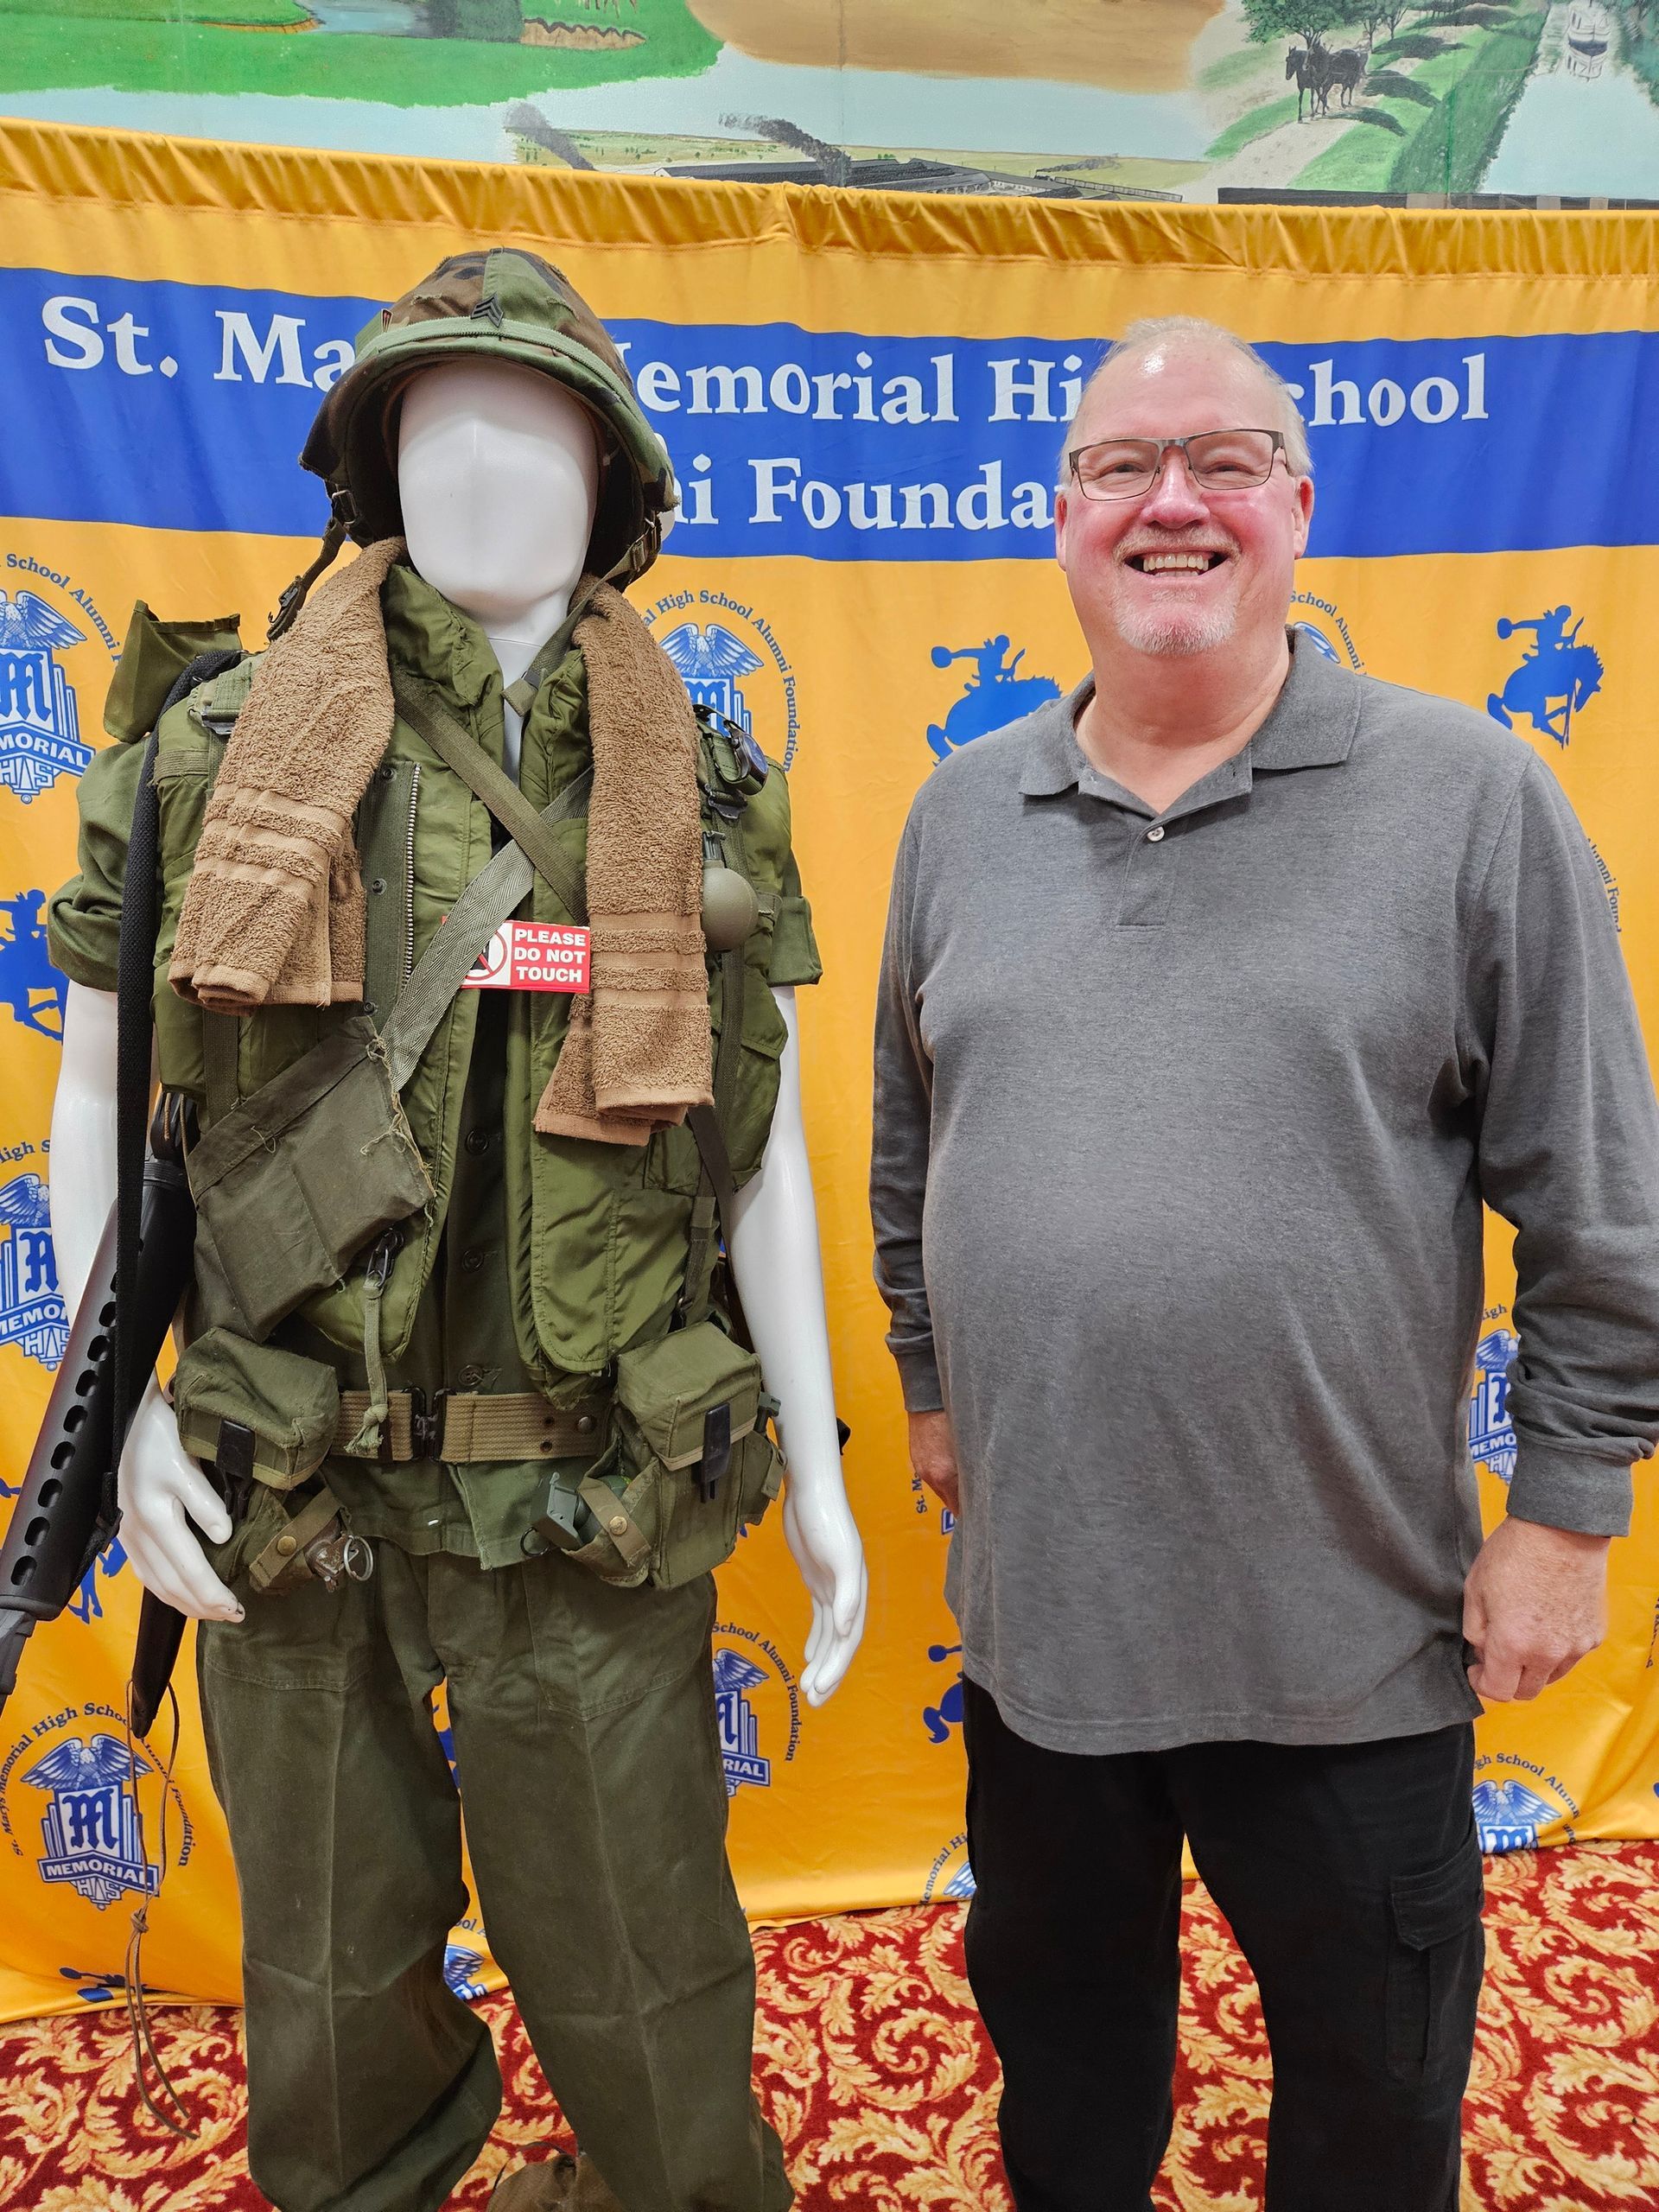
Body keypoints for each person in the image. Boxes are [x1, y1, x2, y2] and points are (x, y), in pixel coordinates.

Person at [48, 250, 865, 2212]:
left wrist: (820, 1465)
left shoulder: (703, 781)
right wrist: (114, 1419)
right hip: (290, 1475)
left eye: (537, 426)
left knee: (648, 1968)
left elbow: (754, 1142)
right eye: (437, 423)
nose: (486, 469)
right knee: (326, 1979)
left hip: (586, 1494)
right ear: (373, 467)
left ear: (615, 482)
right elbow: (102, 1094)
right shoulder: (214, 747)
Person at [869, 314, 1659, 2212]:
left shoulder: (1474, 798)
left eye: (1223, 460)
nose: (1172, 503)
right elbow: (911, 1136)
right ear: (1057, 517)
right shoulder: (960, 813)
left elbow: (1600, 1197)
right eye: (1122, 469)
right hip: (1049, 1639)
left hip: (1352, 1645)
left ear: (1300, 502)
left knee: (1372, 2114)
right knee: (1065, 2084)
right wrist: (931, 1376)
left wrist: (1565, 1507)